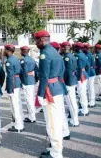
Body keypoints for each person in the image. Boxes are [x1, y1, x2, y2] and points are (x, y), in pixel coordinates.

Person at [34, 30, 65, 158]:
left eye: (36, 40)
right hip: (56, 87)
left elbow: (44, 76)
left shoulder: (45, 54)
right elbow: (61, 71)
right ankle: (53, 147)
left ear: (42, 39)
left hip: (50, 91)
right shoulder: (54, 51)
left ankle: (56, 153)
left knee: (53, 123)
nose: (35, 43)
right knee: (54, 121)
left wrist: (40, 94)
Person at [50, 42, 71, 140]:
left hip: (55, 85)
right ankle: (65, 131)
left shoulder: (54, 58)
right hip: (59, 85)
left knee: (57, 112)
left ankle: (61, 133)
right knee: (61, 110)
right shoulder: (60, 58)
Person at [4, 44, 24, 132]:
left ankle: (18, 126)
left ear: (8, 51)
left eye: (5, 50)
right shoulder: (16, 59)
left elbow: (10, 76)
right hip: (18, 83)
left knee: (15, 106)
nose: (4, 51)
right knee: (18, 104)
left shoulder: (9, 61)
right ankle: (20, 123)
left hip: (13, 84)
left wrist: (9, 89)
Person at [60, 41, 80, 127]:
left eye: (61, 47)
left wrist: (65, 81)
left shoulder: (67, 57)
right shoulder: (71, 55)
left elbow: (67, 71)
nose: (60, 49)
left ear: (64, 48)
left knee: (71, 102)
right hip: (72, 80)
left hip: (69, 81)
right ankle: (73, 119)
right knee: (72, 101)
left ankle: (75, 121)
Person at [19, 46, 38, 123]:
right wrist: (35, 79)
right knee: (31, 99)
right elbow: (36, 70)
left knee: (29, 100)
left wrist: (23, 82)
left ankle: (32, 117)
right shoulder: (32, 60)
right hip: (32, 80)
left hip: (26, 81)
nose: (20, 52)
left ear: (24, 51)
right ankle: (31, 115)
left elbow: (24, 72)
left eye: (21, 51)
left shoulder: (23, 60)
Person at [73, 42, 90, 116]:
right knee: (82, 92)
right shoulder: (83, 54)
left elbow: (79, 67)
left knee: (81, 93)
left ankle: (84, 110)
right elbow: (88, 66)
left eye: (74, 47)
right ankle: (84, 108)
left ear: (77, 48)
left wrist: (78, 77)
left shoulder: (78, 55)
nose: (73, 49)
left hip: (81, 75)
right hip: (84, 74)